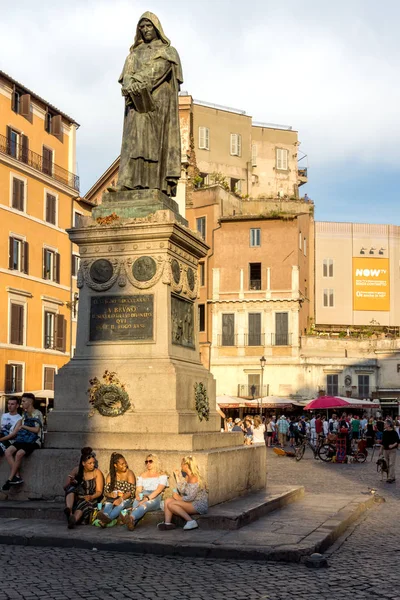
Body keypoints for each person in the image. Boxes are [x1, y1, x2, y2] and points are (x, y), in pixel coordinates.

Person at [110, 12, 183, 197]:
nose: (145, 30)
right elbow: (125, 76)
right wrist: (130, 85)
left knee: (154, 143)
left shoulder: (168, 51)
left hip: (158, 104)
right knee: (132, 143)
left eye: (148, 26)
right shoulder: (133, 54)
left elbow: (159, 70)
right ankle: (127, 183)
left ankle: (154, 185)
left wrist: (138, 82)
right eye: (141, 27)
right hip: (135, 102)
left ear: (156, 28)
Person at [2, 393, 43, 491]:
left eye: (24, 401)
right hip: (23, 439)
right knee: (8, 451)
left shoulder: (37, 413)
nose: (22, 404)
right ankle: (17, 475)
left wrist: (23, 426)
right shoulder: (24, 414)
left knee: (19, 454)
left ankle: (9, 479)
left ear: (30, 402)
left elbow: (36, 430)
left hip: (34, 440)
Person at [158, 455, 208, 531]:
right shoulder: (187, 477)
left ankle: (190, 521)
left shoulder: (194, 478)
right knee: (167, 500)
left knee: (171, 504)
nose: (180, 466)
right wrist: (177, 477)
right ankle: (167, 523)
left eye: (182, 464)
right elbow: (182, 490)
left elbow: (191, 497)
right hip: (191, 502)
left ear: (186, 465)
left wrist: (178, 498)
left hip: (198, 504)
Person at [122, 454, 168, 530]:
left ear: (156, 462)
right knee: (136, 503)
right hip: (143, 494)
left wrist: (146, 498)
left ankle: (130, 518)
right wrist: (137, 495)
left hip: (155, 497)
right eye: (146, 462)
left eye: (150, 461)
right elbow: (138, 490)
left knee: (144, 505)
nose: (148, 464)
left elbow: (158, 491)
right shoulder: (142, 475)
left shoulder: (162, 475)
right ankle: (132, 523)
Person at [63, 447, 104, 529]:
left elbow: (99, 491)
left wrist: (91, 497)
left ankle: (73, 519)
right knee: (71, 489)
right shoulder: (76, 470)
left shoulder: (97, 472)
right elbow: (65, 487)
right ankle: (69, 510)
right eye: (90, 463)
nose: (93, 465)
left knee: (84, 506)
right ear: (83, 463)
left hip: (90, 499)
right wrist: (71, 481)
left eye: (93, 463)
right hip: (77, 498)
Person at [96, 453, 136, 527]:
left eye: (125, 463)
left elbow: (131, 491)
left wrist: (121, 499)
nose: (125, 465)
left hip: (126, 498)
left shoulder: (129, 473)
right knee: (108, 503)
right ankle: (105, 516)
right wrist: (110, 494)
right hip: (113, 498)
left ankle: (105, 520)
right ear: (115, 465)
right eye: (122, 464)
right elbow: (106, 492)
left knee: (120, 506)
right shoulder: (111, 475)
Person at [380, 419, 399, 483]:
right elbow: (383, 442)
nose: (384, 425)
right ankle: (392, 476)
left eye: (385, 424)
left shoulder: (394, 432)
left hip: (392, 450)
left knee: (391, 464)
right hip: (385, 450)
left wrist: (392, 445)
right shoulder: (385, 432)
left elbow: (397, 441)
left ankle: (390, 478)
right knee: (386, 464)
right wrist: (381, 450)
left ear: (388, 425)